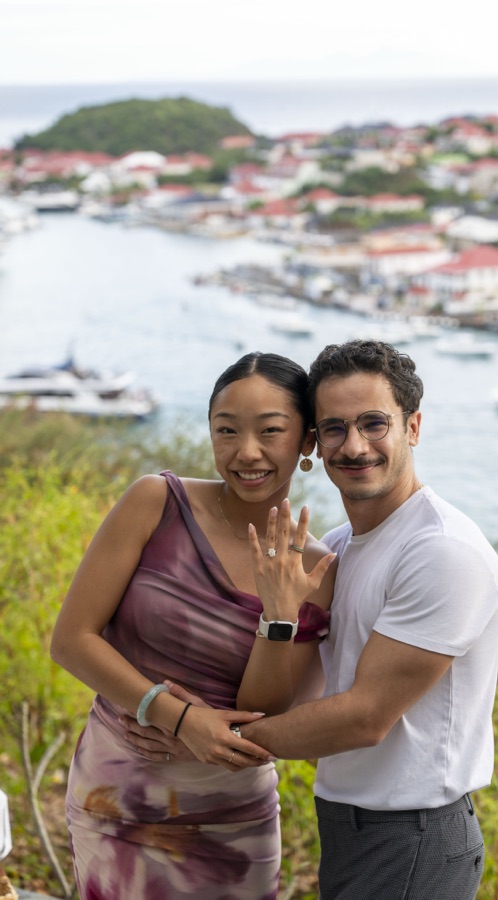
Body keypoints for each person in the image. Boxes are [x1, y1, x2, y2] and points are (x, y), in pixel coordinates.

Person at [129, 339, 498, 899]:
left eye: (374, 423)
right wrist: (272, 625)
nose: (353, 446)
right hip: (350, 826)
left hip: (413, 838)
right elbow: (301, 696)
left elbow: (363, 718)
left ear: (414, 427)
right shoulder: (335, 551)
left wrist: (206, 737)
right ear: (314, 442)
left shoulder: (442, 552)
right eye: (334, 428)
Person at [50, 351, 336, 900]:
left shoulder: (318, 570)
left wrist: (278, 616)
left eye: (270, 431)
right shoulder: (156, 503)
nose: (246, 452)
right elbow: (72, 640)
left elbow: (267, 711)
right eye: (226, 430)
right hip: (119, 794)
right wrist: (176, 716)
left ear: (306, 443)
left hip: (232, 821)